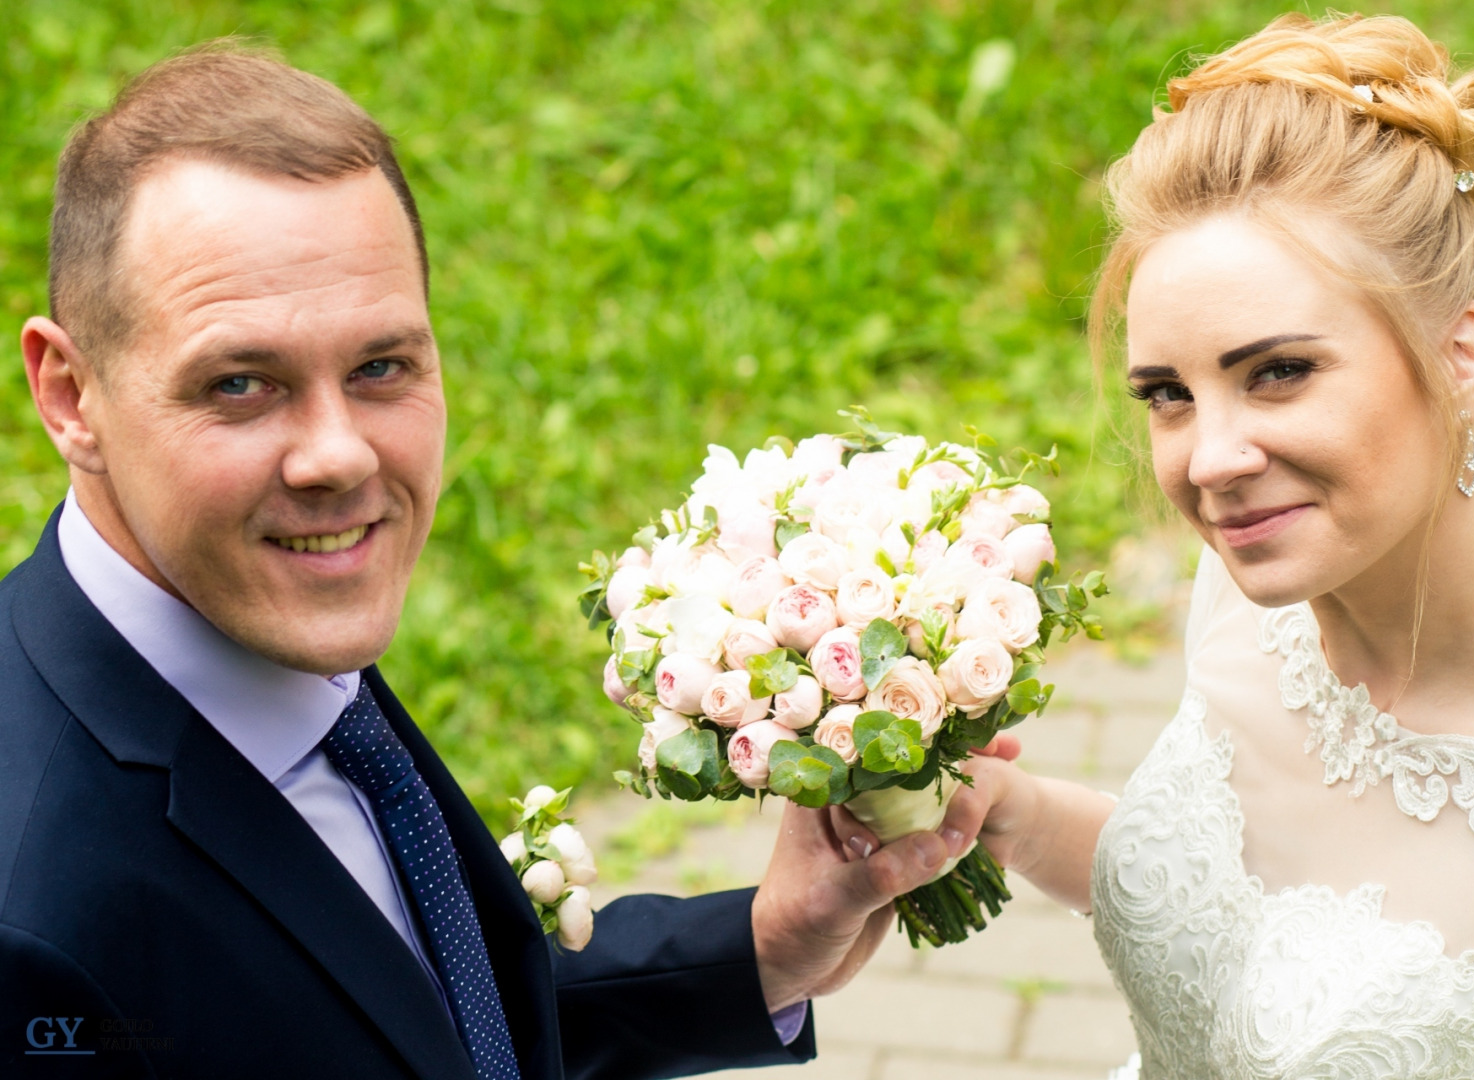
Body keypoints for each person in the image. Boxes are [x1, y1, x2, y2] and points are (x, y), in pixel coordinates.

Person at [0, 44, 991, 1079]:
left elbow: (398, 1015)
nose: (339, 455)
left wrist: (759, 954)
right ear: (70, 396)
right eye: (241, 385)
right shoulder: (34, 935)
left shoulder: (237, 623)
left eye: (381, 366)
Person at [842, 12, 1474, 1077]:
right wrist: (1006, 813)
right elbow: (1229, 915)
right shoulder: (1261, 601)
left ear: (1464, 357)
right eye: (1168, 394)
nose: (1210, 462)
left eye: (1279, 372)